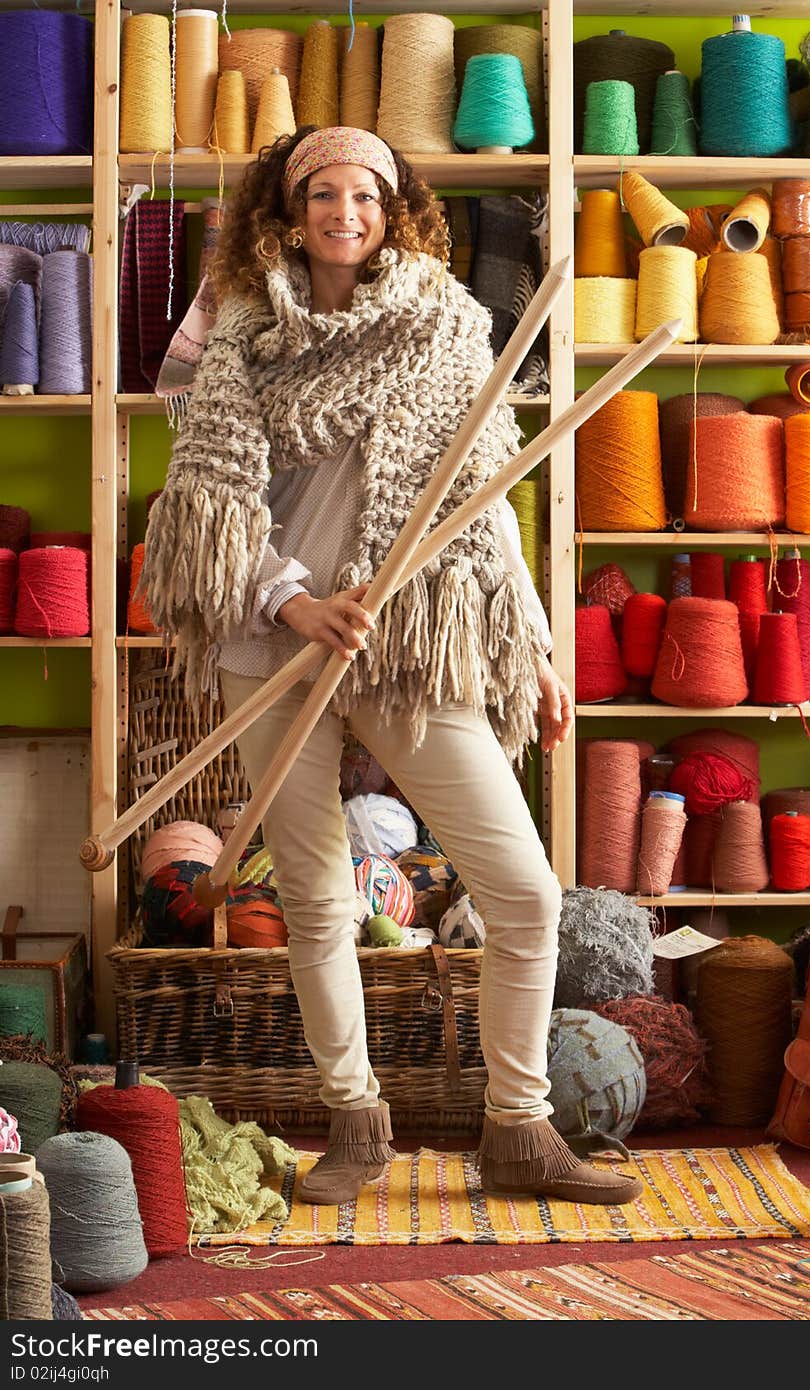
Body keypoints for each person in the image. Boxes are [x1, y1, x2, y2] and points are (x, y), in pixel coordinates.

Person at [143, 126, 642, 1209]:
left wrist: (538, 646)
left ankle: (516, 1128)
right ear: (288, 210)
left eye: (365, 193)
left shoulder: (449, 324)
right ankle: (354, 1121)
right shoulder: (242, 332)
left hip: (407, 634)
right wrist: (293, 599)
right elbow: (210, 501)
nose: (344, 210)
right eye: (321, 193)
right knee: (316, 900)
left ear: (394, 207)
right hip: (269, 636)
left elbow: (489, 498)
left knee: (522, 890)